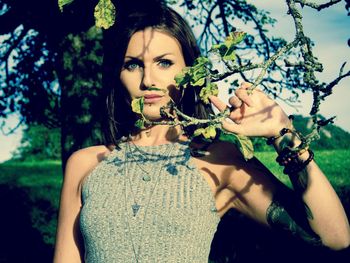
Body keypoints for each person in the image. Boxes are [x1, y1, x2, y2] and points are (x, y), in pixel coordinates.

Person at [53, 2, 350, 262]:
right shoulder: (85, 164)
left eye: (164, 62)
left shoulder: (220, 160)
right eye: (132, 65)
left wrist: (283, 134)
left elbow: (334, 237)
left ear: (189, 72)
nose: (148, 79)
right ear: (118, 75)